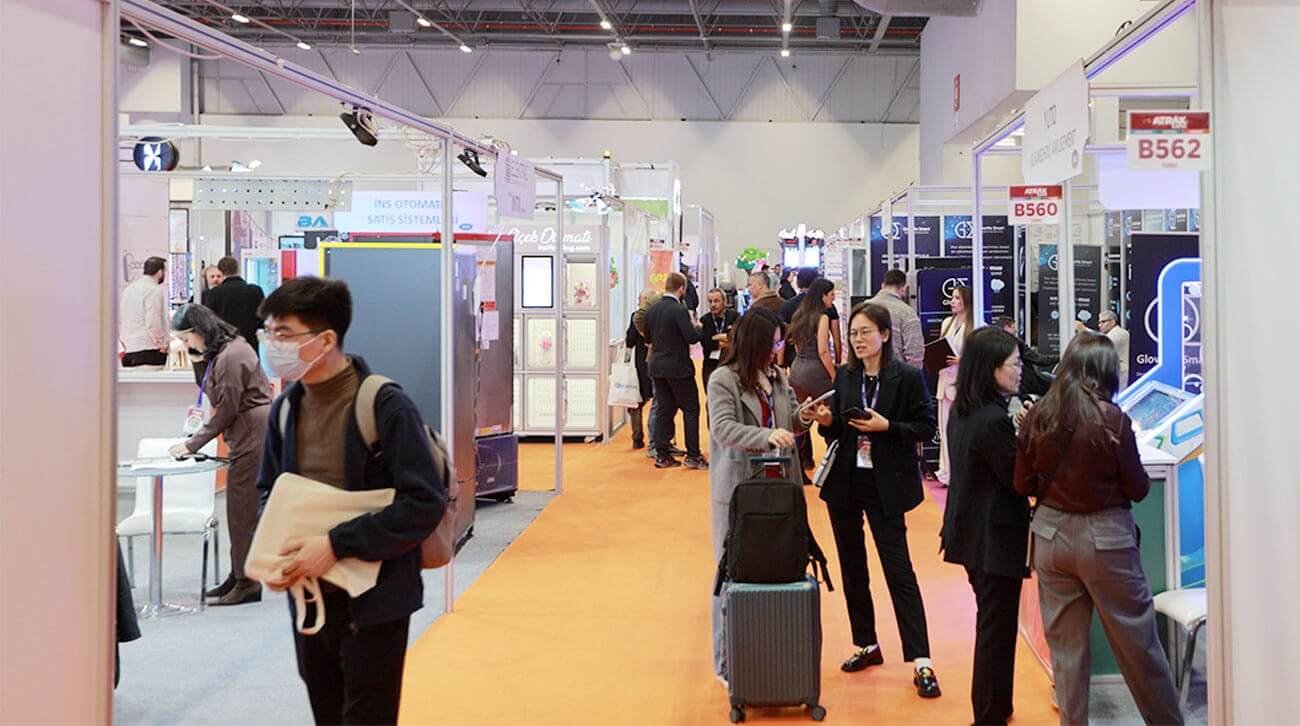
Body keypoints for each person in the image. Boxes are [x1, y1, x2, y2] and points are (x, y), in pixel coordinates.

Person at [256, 276, 447, 725]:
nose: (271, 345)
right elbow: (270, 492)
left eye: (284, 333)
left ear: (325, 340)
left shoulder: (384, 405)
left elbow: (423, 502)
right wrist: (275, 553)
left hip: (375, 600)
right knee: (326, 712)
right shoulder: (286, 410)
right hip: (310, 597)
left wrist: (336, 544)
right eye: (268, 332)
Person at [1014, 334, 1183, 726]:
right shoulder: (1113, 419)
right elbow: (1138, 488)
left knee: (1067, 654)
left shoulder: (1038, 415)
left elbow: (1022, 483)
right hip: (1107, 540)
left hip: (1050, 537)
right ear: (1104, 371)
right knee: (1139, 646)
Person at [812, 302, 941, 699]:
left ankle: (921, 660)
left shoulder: (907, 377)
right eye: (853, 333)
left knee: (898, 570)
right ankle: (866, 643)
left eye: (866, 332)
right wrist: (828, 422)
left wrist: (889, 427)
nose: (858, 339)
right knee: (852, 566)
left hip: (888, 484)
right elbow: (839, 429)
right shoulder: (846, 376)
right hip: (846, 483)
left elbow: (926, 427)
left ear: (885, 335)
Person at [706, 306, 817, 682]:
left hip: (781, 490)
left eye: (779, 343)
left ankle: (774, 654)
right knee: (731, 571)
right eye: (773, 343)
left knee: (780, 566)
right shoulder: (723, 380)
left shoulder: (778, 377)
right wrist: (766, 436)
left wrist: (807, 417)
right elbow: (723, 428)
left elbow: (790, 420)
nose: (777, 349)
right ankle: (727, 662)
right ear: (754, 342)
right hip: (740, 493)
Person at [939, 327, 1028, 725]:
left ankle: (998, 706)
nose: (1019, 370)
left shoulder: (965, 411)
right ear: (992, 368)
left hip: (971, 532)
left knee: (995, 623)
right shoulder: (992, 420)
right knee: (996, 628)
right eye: (1014, 364)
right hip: (993, 539)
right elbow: (1017, 479)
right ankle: (989, 713)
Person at [167, 304, 273, 605]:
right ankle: (239, 574)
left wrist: (193, 444)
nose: (185, 345)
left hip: (251, 433)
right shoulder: (225, 352)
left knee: (243, 512)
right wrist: (196, 359)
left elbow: (225, 409)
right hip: (248, 431)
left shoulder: (231, 356)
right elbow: (211, 392)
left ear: (198, 331)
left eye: (186, 339)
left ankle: (247, 581)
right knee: (238, 511)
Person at [645, 272, 708, 470]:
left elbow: (648, 338)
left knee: (664, 409)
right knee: (691, 409)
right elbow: (692, 338)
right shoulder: (679, 310)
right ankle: (693, 455)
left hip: (656, 366)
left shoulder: (652, 309)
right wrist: (698, 327)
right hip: (678, 367)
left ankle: (662, 455)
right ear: (682, 289)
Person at [787, 279, 838, 484]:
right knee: (830, 418)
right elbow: (823, 351)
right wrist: (834, 375)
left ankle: (798, 467)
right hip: (817, 372)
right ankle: (833, 468)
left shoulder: (799, 315)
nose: (833, 298)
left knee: (801, 418)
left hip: (797, 370)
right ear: (822, 296)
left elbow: (797, 347)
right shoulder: (822, 317)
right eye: (831, 295)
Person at [935, 285, 974, 485]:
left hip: (962, 384)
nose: (952, 301)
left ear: (966, 301)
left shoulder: (975, 326)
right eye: (952, 297)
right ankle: (946, 472)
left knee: (961, 431)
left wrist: (962, 360)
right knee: (944, 430)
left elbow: (980, 357)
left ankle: (960, 473)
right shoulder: (947, 323)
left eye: (957, 298)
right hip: (944, 381)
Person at [782, 268, 843, 369]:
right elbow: (836, 337)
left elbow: (783, 336)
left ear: (798, 283)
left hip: (795, 360)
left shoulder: (788, 305)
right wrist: (838, 361)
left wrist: (781, 363)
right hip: (821, 362)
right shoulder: (827, 307)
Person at [205, 256, 267, 354]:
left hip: (225, 347)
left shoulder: (214, 294)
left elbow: (210, 323)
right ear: (238, 269)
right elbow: (263, 319)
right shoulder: (255, 291)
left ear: (221, 271)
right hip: (250, 345)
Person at [120, 256, 171, 367]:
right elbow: (153, 321)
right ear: (160, 272)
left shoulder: (129, 289)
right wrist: (162, 344)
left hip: (129, 350)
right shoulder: (153, 290)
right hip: (148, 350)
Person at [868, 269, 924, 369]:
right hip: (895, 374)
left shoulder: (864, 308)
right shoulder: (908, 313)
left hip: (867, 372)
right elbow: (915, 354)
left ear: (882, 286)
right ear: (904, 288)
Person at [625, 289, 658, 450]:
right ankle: (658, 439)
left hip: (641, 365)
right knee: (661, 402)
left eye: (640, 298)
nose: (639, 301)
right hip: (657, 362)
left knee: (636, 401)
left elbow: (630, 340)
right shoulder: (659, 315)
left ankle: (637, 437)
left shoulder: (636, 317)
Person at [996, 316, 1057, 398]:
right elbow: (1039, 360)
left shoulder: (996, 345)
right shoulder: (1016, 343)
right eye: (1013, 327)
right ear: (1007, 328)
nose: (1016, 330)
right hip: (1028, 383)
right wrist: (1059, 357)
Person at [700, 287, 738, 391]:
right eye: (710, 301)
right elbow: (706, 343)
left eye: (716, 301)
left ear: (724, 302)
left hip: (730, 364)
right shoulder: (704, 320)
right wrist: (726, 340)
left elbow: (736, 339)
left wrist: (716, 337)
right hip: (710, 365)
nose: (713, 304)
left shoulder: (734, 317)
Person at [1098, 309, 1131, 387]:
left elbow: (1102, 344)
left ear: (1112, 322)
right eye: (1099, 322)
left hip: (1120, 374)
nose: (1100, 325)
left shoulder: (1120, 333)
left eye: (1103, 322)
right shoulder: (1109, 334)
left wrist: (1084, 329)